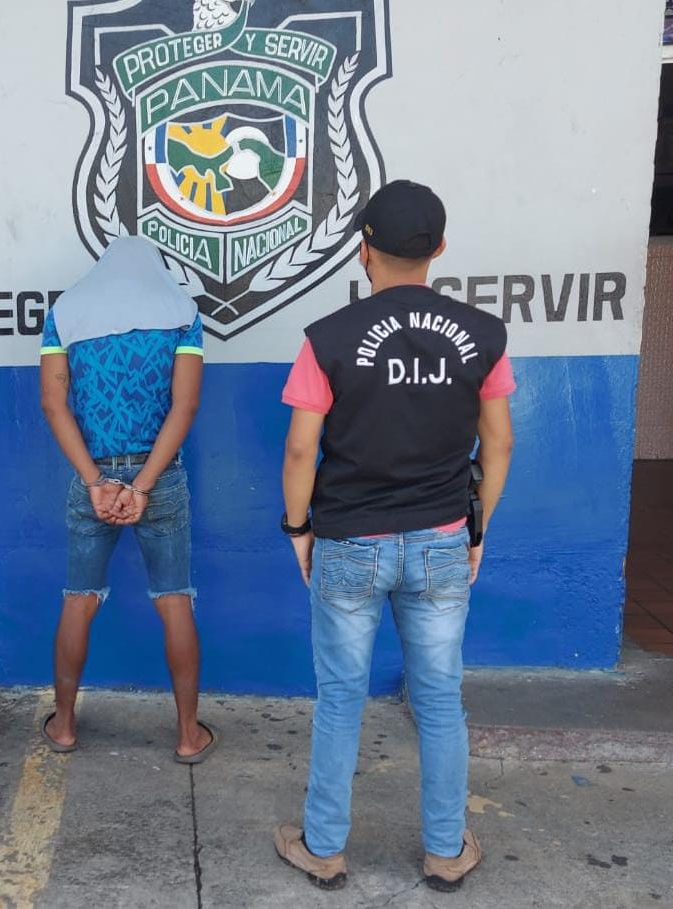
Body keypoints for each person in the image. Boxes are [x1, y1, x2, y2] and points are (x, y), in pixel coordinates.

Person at [273, 181, 515, 892]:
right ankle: (445, 851)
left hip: (349, 540)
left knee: (341, 698)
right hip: (441, 539)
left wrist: (298, 527)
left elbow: (300, 450)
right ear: (439, 248)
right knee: (439, 700)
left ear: (363, 250)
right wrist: (476, 527)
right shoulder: (484, 335)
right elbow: (499, 444)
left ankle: (324, 848)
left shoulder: (328, 338)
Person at [39, 236, 217, 763]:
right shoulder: (181, 313)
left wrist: (96, 480)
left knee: (78, 598)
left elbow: (53, 405)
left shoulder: (65, 314)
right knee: (174, 598)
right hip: (160, 479)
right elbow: (184, 407)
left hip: (92, 477)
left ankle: (64, 726)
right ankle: (188, 735)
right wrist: (143, 485)